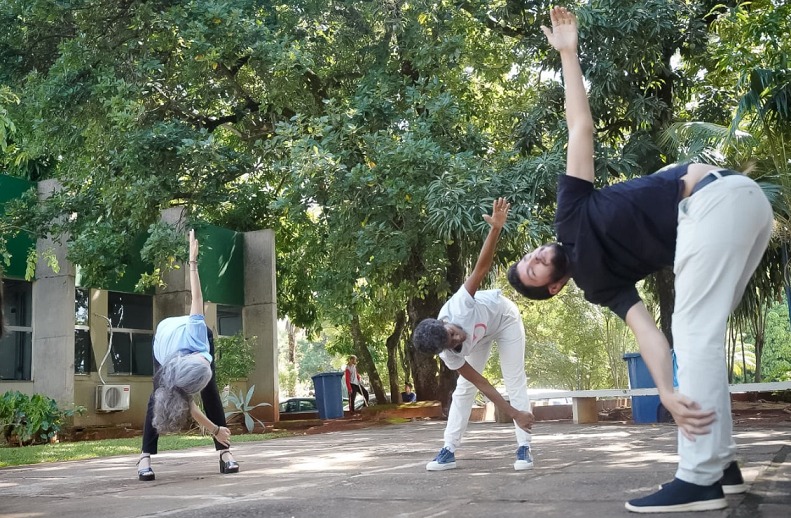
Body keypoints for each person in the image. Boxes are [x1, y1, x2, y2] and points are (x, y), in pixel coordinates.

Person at [507, 7, 773, 512]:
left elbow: (578, 126)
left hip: (722, 198)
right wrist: (666, 392)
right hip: (730, 208)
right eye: (534, 270)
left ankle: (700, 478)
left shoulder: (571, 216)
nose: (538, 256)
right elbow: (648, 334)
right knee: (698, 336)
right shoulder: (601, 285)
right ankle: (722, 466)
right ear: (552, 288)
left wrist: (568, 54)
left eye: (531, 255)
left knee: (696, 333)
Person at [413, 197, 535, 472]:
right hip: (482, 336)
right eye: (451, 344)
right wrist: (512, 413)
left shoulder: (459, 306)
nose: (457, 339)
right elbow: (481, 383)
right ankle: (448, 449)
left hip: (504, 320)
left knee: (514, 379)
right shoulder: (448, 353)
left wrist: (496, 228)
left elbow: (481, 267)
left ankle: (524, 448)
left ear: (444, 321)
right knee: (464, 390)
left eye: (453, 334)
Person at [137, 229, 240, 481]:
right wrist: (215, 429)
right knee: (158, 397)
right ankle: (144, 456)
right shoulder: (169, 370)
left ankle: (225, 454)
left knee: (211, 391)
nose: (209, 360)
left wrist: (192, 262)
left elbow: (196, 296)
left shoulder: (198, 334)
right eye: (206, 361)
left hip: (190, 340)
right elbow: (188, 404)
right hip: (164, 345)